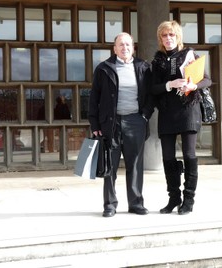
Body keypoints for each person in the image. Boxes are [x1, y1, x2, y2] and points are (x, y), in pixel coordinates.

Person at [88, 32, 154, 218]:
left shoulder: (143, 67)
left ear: (133, 47)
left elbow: (150, 96)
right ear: (114, 48)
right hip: (111, 123)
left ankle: (136, 203)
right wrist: (95, 124)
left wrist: (144, 116)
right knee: (110, 166)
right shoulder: (104, 68)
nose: (125, 48)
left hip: (136, 121)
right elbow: (94, 98)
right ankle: (110, 205)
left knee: (135, 165)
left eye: (128, 44)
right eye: (121, 44)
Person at [151, 20, 212, 215]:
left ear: (178, 37)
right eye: (164, 35)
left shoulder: (189, 55)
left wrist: (193, 86)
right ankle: (173, 198)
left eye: (172, 35)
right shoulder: (157, 61)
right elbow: (153, 88)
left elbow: (207, 79)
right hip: (167, 112)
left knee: (189, 155)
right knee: (168, 157)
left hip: (188, 110)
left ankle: (188, 199)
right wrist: (171, 84)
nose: (168, 39)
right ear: (160, 39)